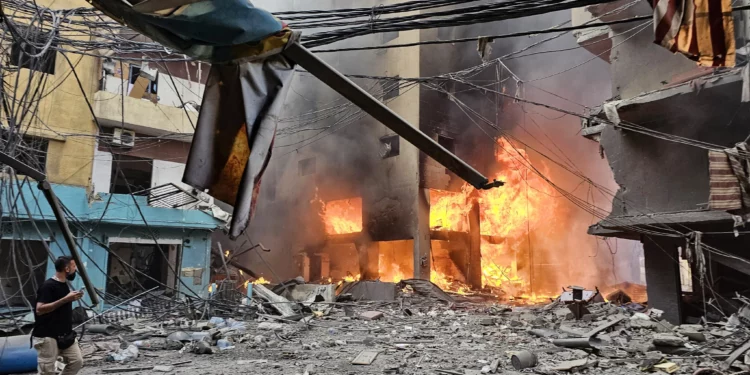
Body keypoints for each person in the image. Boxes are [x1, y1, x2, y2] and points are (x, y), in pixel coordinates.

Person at [32, 256, 84, 375]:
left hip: (65, 334)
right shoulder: (48, 286)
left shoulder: (64, 285)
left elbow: (60, 304)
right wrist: (65, 299)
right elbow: (39, 310)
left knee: (77, 361)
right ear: (66, 269)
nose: (75, 270)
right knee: (47, 371)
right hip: (47, 335)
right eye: (74, 266)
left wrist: (71, 298)